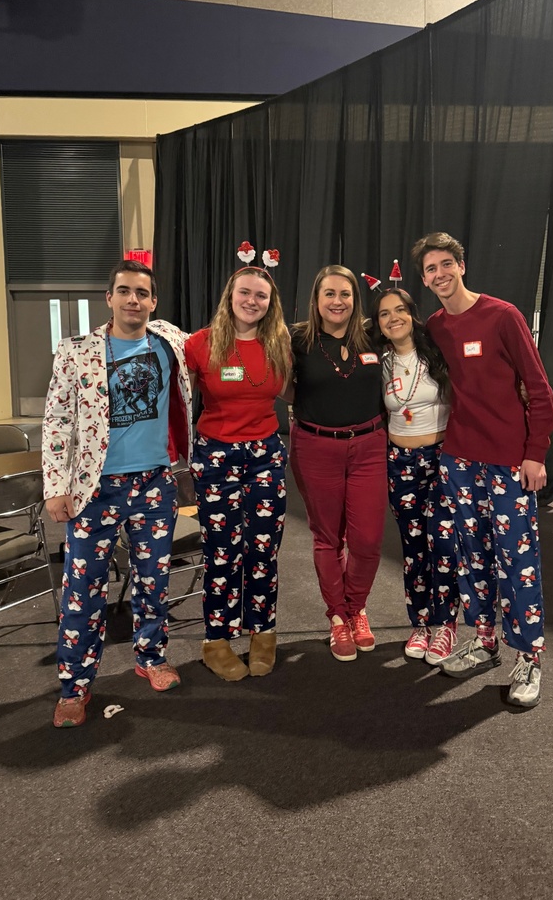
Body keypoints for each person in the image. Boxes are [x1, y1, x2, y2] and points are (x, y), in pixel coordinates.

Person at [43, 259, 193, 728]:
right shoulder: (75, 352)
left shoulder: (172, 342)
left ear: (154, 301)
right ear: (108, 298)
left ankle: (151, 657)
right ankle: (75, 687)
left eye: (142, 293)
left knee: (154, 581)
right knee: (82, 592)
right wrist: (55, 486)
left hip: (153, 483)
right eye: (124, 291)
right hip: (95, 490)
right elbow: (57, 421)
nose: (134, 300)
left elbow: (230, 336)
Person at [411, 232, 553, 708]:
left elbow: (539, 390)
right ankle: (485, 639)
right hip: (459, 460)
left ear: (462, 265)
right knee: (471, 555)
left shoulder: (503, 315)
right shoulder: (435, 326)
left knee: (517, 562)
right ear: (425, 279)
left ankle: (529, 656)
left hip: (509, 462)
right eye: (431, 269)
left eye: (446, 264)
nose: (440, 274)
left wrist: (535, 452)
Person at [185, 266, 291, 682]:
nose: (252, 301)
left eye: (261, 296)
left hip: (265, 454)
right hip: (216, 456)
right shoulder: (201, 344)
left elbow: (297, 393)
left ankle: (263, 633)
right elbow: (179, 402)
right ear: (230, 295)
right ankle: (217, 639)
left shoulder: (279, 343)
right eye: (245, 292)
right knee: (222, 551)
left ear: (270, 303)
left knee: (263, 551)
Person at [290, 266, 388, 662]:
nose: (337, 301)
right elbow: (278, 383)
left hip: (369, 445)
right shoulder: (296, 339)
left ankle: (356, 608)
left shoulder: (373, 336)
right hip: (316, 447)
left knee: (367, 539)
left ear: (355, 299)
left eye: (344, 294)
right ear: (316, 300)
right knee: (328, 537)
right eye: (328, 293)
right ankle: (337, 618)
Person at [373, 287, 455, 664]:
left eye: (400, 310)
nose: (393, 318)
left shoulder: (436, 354)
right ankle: (420, 623)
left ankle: (446, 625)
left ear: (412, 313)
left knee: (443, 543)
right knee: (413, 546)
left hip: (440, 459)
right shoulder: (380, 362)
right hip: (400, 461)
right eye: (385, 314)